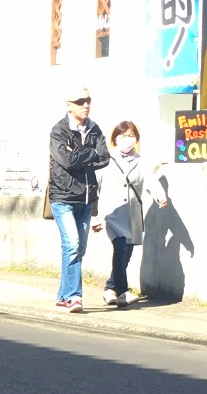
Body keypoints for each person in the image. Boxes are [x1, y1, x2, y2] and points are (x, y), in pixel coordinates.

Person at [48, 91, 110, 312]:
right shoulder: (59, 131)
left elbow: (104, 158)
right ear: (69, 105)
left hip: (86, 198)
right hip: (63, 197)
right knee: (72, 245)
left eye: (88, 101)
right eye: (80, 102)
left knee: (78, 248)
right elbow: (66, 160)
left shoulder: (95, 129)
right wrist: (90, 154)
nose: (86, 105)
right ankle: (75, 297)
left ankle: (63, 296)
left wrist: (83, 156)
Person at [95, 119, 149, 307]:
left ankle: (110, 289)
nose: (127, 139)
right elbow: (95, 187)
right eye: (123, 135)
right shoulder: (105, 159)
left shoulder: (141, 161)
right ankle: (123, 292)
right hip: (112, 214)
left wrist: (160, 195)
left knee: (126, 254)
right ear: (115, 138)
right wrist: (95, 216)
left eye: (131, 135)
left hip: (132, 215)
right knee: (120, 249)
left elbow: (151, 180)